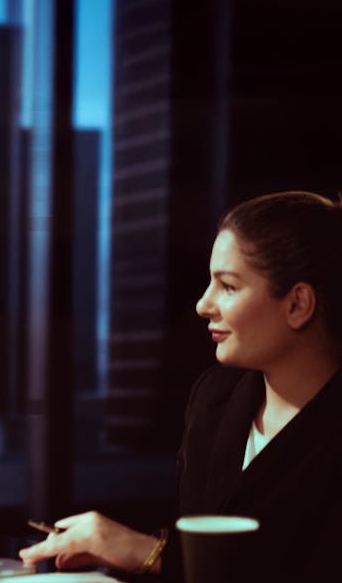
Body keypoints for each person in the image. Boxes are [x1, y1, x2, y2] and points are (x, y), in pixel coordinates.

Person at [19, 191, 342, 580]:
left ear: (297, 305)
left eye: (228, 286)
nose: (203, 305)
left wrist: (144, 550)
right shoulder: (215, 399)